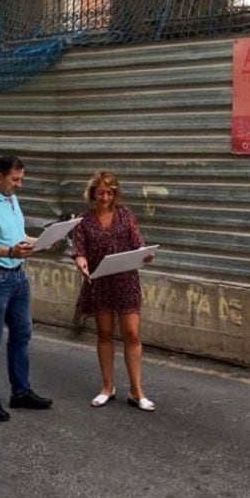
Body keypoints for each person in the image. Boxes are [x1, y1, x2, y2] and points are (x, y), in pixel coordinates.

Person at [0, 155, 53, 422]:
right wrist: (10, 251)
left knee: (22, 334)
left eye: (21, 179)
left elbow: (18, 237)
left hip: (18, 278)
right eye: (15, 180)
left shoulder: (11, 200)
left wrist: (43, 241)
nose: (19, 185)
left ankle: (21, 391)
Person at [71, 170, 157, 411]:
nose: (105, 197)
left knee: (131, 333)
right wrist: (80, 260)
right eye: (100, 193)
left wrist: (146, 255)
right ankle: (107, 387)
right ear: (92, 194)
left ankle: (136, 390)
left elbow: (138, 244)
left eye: (110, 192)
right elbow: (79, 249)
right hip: (100, 282)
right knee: (105, 333)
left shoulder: (126, 215)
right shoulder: (84, 220)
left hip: (126, 281)